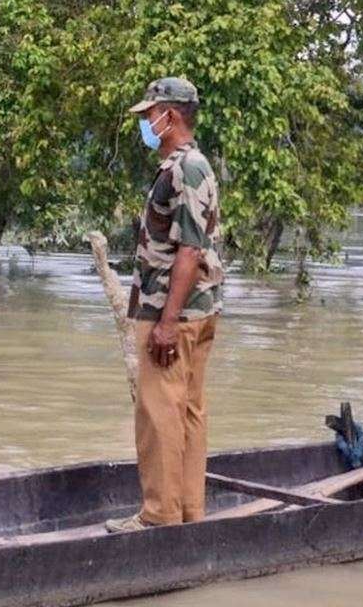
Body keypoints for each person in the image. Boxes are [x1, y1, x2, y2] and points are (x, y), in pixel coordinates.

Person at [107, 77, 224, 533]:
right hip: (194, 311)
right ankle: (188, 514)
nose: (145, 125)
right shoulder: (188, 167)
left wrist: (166, 323)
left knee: (160, 414)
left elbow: (189, 252)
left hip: (174, 313)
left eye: (148, 116)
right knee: (188, 412)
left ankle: (160, 516)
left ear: (168, 117)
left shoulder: (186, 169)